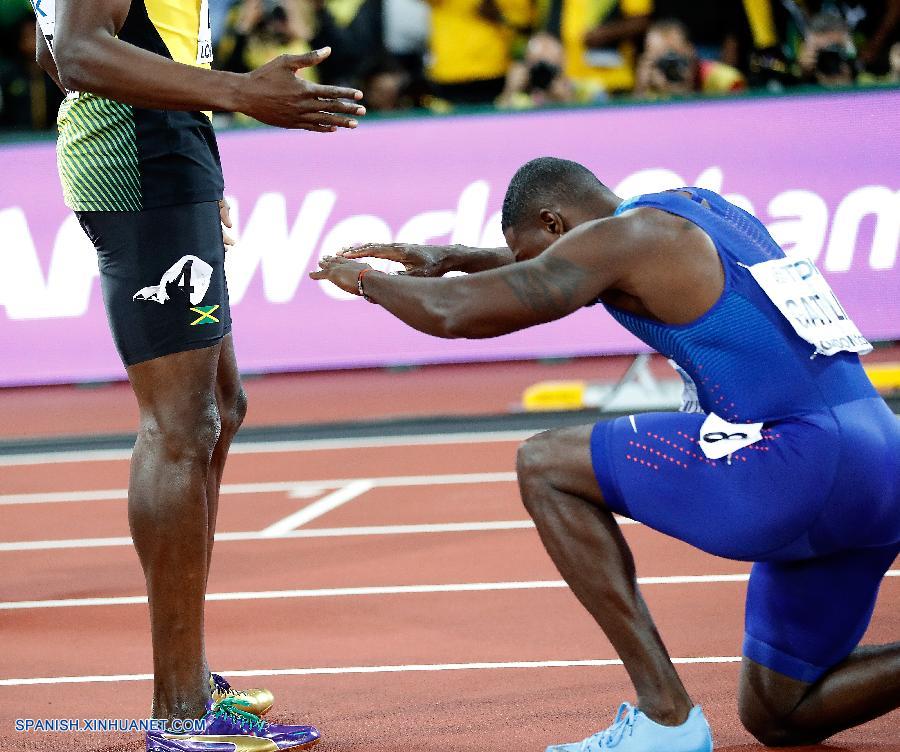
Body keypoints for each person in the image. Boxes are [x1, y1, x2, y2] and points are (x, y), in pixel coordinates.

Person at [312, 157, 900, 751]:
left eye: (532, 252)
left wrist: (365, 281)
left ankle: (665, 717)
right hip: (881, 462)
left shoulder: (625, 239)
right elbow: (572, 264)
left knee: (545, 466)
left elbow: (456, 312)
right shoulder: (695, 210)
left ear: (553, 221)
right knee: (781, 712)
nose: (533, 267)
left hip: (800, 463)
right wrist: (453, 257)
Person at [32, 1, 365, 749]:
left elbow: (59, 52)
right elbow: (80, 54)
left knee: (220, 404)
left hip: (171, 146)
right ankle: (179, 712)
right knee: (181, 424)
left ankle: (190, 675)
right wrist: (241, 93)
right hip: (140, 160)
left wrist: (198, 149)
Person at [634, 18, 746, 98]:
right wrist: (640, 89)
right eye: (661, 59)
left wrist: (686, 89)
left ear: (691, 50)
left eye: (674, 55)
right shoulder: (649, 83)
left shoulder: (726, 81)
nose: (671, 65)